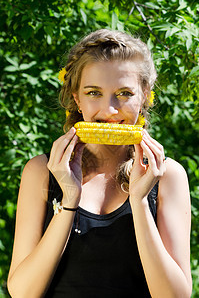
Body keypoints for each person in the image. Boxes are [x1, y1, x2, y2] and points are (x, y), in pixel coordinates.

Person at [7, 29, 192, 298]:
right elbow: (23, 292)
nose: (110, 111)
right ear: (76, 98)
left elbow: (174, 296)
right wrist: (69, 199)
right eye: (94, 92)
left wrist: (139, 201)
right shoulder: (40, 172)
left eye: (125, 93)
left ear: (144, 98)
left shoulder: (167, 175)